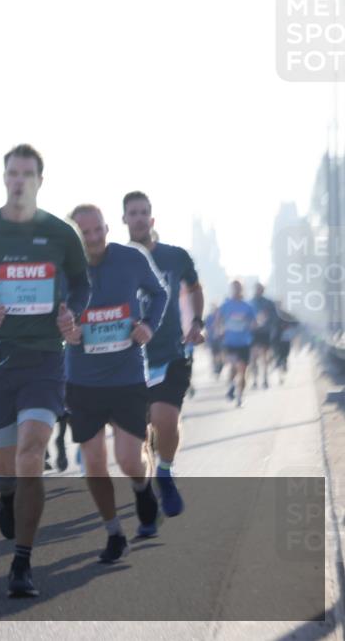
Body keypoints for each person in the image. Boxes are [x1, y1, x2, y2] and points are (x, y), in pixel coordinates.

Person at [0, 144, 90, 597]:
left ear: (40, 181)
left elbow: (82, 284)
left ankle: (22, 563)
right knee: (5, 468)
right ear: (4, 177)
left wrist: (74, 314)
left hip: (45, 358)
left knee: (32, 454)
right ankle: (6, 494)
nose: (20, 180)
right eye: (13, 173)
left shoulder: (62, 234)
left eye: (28, 173)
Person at [64, 204, 168, 560]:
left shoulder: (131, 258)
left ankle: (142, 488)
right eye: (85, 234)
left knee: (127, 460)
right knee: (93, 462)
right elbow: (46, 311)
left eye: (98, 231)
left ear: (108, 227)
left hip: (125, 374)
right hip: (82, 379)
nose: (94, 240)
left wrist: (148, 326)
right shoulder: (62, 267)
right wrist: (65, 329)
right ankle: (113, 532)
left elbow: (160, 293)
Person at [122, 191, 204, 518]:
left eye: (144, 212)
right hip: (128, 360)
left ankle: (165, 472)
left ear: (151, 219)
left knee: (165, 419)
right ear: (124, 220)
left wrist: (197, 321)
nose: (139, 218)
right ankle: (145, 491)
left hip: (170, 352)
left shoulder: (175, 257)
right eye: (133, 213)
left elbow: (195, 288)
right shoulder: (115, 259)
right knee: (139, 433)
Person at [218, 280, 258, 408]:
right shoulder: (226, 305)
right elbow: (219, 320)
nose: (236, 290)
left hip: (244, 342)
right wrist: (220, 330)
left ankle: (239, 396)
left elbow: (254, 323)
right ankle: (231, 386)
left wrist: (251, 325)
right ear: (231, 289)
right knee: (233, 366)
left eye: (238, 288)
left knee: (242, 370)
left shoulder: (248, 306)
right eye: (234, 288)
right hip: (230, 342)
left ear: (242, 289)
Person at [250, 283, 278, 390]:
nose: (258, 290)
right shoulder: (250, 302)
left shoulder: (269, 303)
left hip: (265, 333)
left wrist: (267, 321)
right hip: (253, 333)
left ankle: (265, 379)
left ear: (263, 290)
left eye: (260, 289)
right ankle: (254, 380)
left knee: (264, 357)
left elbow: (275, 317)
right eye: (257, 288)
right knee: (253, 358)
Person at [204, 304, 224, 379]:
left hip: (220, 340)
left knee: (220, 356)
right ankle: (216, 368)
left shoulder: (221, 317)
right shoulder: (209, 317)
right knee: (214, 356)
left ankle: (218, 368)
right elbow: (206, 329)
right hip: (212, 340)